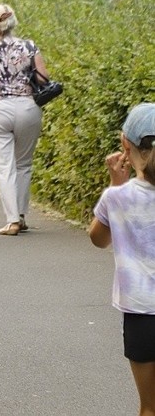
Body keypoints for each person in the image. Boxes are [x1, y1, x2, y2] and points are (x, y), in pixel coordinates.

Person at [88, 103, 155, 416]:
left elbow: (98, 239)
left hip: (142, 314)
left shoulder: (117, 197)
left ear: (125, 146)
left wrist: (116, 184)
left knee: (149, 407)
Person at [0, 4, 47, 235]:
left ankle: (12, 220)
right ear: (13, 23)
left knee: (4, 167)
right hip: (27, 108)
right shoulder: (30, 47)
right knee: (23, 163)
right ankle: (21, 216)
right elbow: (44, 79)